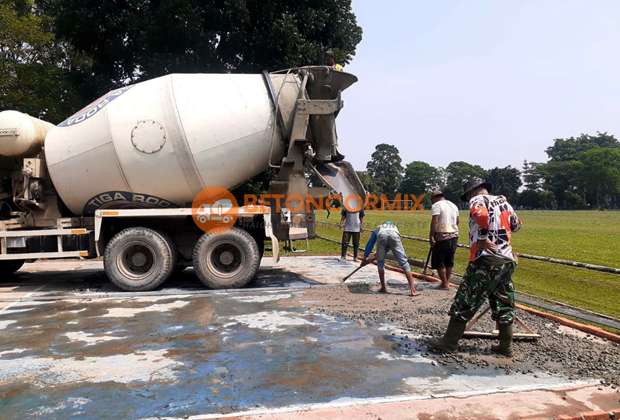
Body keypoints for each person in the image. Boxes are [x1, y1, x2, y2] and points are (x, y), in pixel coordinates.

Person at [428, 178, 522, 357]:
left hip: (486, 260)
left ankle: (449, 341)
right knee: (503, 302)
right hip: (506, 259)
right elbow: (517, 226)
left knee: (465, 300)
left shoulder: (477, 200)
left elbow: (482, 216)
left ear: (471, 192)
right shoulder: (504, 202)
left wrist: (482, 236)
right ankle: (505, 346)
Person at [360, 222, 421, 296]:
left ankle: (383, 287)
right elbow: (389, 247)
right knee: (404, 262)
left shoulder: (378, 228)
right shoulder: (394, 228)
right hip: (394, 236)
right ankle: (413, 290)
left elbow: (370, 244)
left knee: (380, 263)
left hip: (382, 236)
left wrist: (364, 258)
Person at [429, 190, 460, 290]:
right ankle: (447, 282)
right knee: (449, 260)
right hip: (454, 236)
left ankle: (444, 284)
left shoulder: (437, 205)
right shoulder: (453, 205)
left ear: (434, 198)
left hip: (442, 236)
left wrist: (432, 236)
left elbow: (435, 220)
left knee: (439, 261)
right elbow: (457, 221)